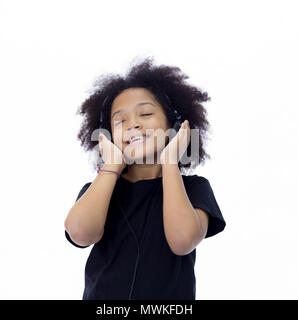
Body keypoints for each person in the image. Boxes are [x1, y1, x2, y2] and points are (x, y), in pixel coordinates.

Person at [64, 57, 226, 300]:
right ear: (107, 135)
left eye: (146, 113)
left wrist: (169, 160)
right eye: (120, 121)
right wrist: (113, 165)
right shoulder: (99, 189)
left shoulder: (194, 188)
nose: (133, 125)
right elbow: (80, 233)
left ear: (175, 125)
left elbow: (182, 240)